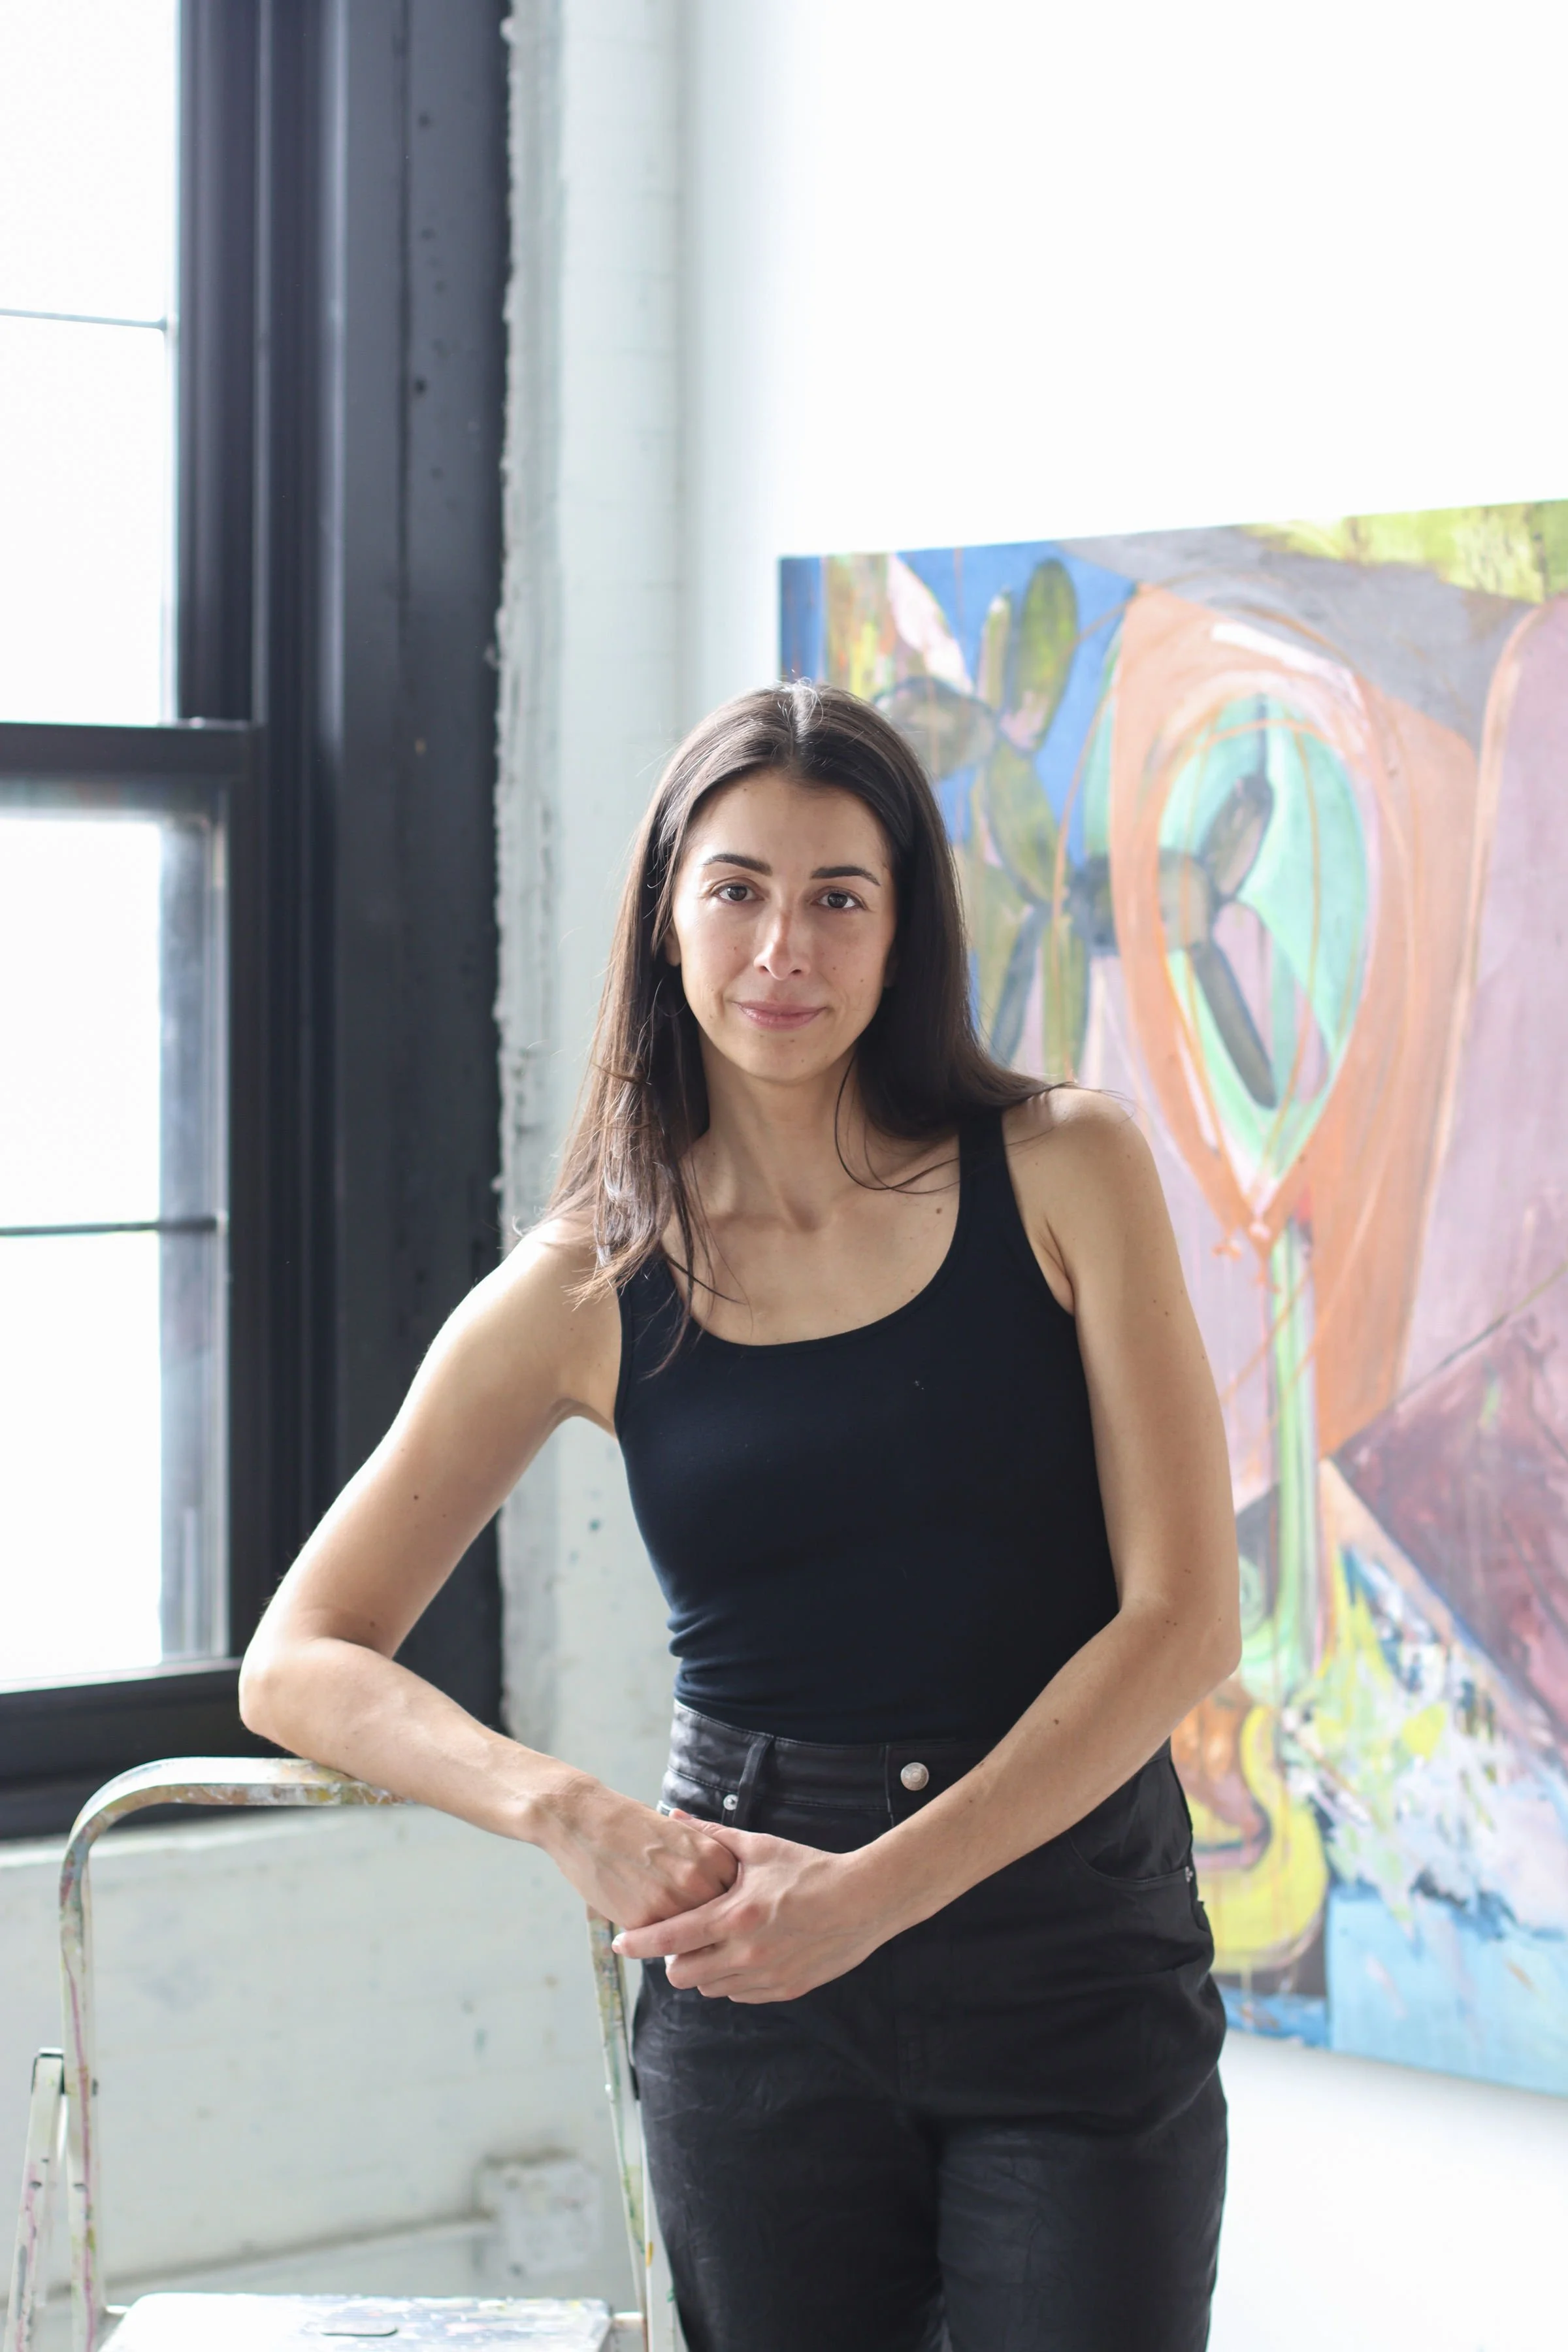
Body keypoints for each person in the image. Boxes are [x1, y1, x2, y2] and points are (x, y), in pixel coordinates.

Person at [240, 681, 1241, 2352]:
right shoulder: (587, 1278)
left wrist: (871, 1895)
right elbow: (298, 1659)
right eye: (738, 890)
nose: (784, 948)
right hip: (746, 1974)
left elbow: (1186, 1621)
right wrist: (562, 1808)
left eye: (839, 897)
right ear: (667, 914)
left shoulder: (1067, 1167)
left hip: (1069, 1951)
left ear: (903, 930)